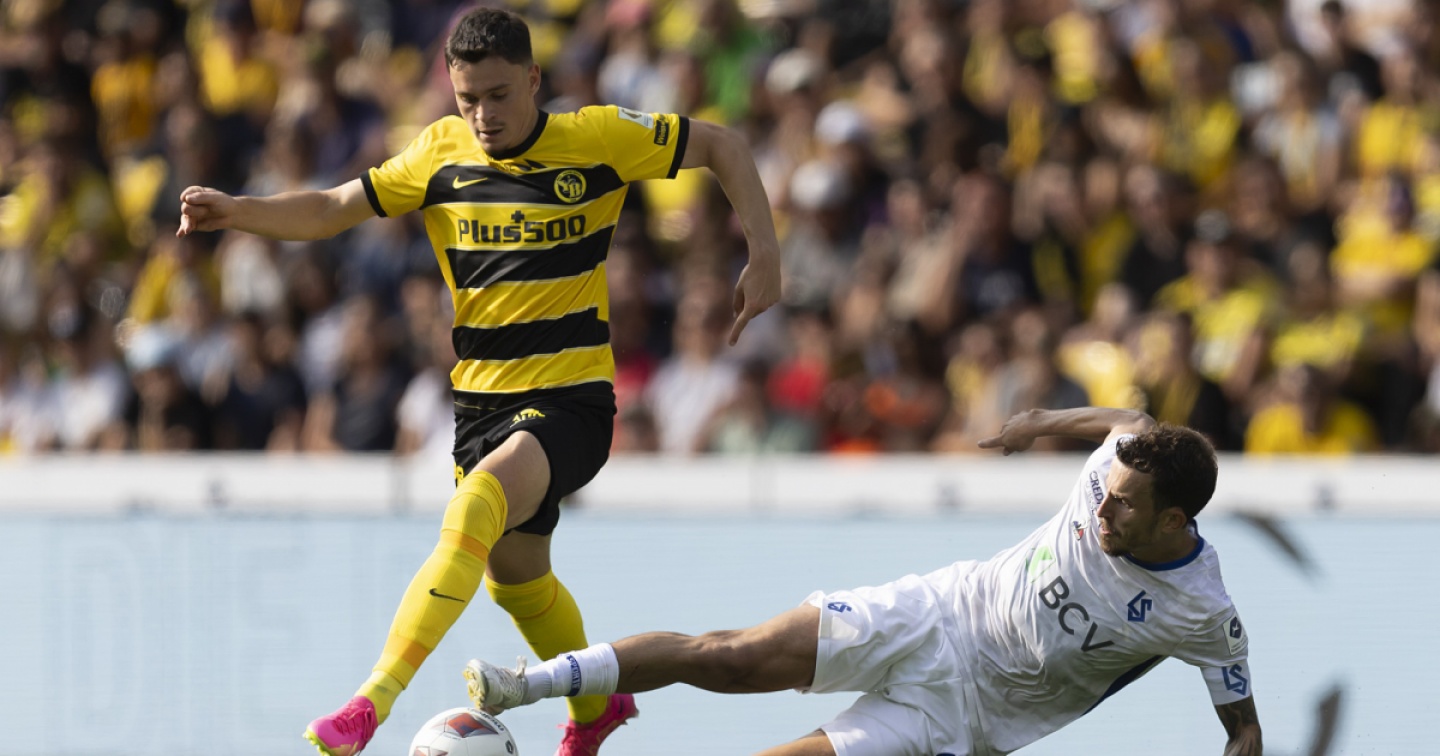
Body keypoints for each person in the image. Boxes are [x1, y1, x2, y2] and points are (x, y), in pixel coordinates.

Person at [176, 8, 783, 756]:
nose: (483, 115)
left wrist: (764, 252)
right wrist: (240, 211)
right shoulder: (440, 152)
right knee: (516, 582)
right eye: (468, 99)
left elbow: (722, 144)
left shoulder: (598, 138)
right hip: (481, 407)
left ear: (533, 79)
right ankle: (597, 705)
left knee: (476, 505)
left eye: (499, 95)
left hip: (571, 401)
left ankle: (371, 703)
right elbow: (333, 208)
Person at [466, 407, 1263, 756]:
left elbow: (1243, 730)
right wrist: (1039, 425)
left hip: (964, 719)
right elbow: (1128, 420)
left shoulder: (1203, 613)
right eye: (1105, 492)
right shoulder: (1120, 464)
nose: (1101, 511)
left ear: (1174, 520)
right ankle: (526, 685)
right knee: (731, 655)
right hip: (938, 614)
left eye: (1124, 507)